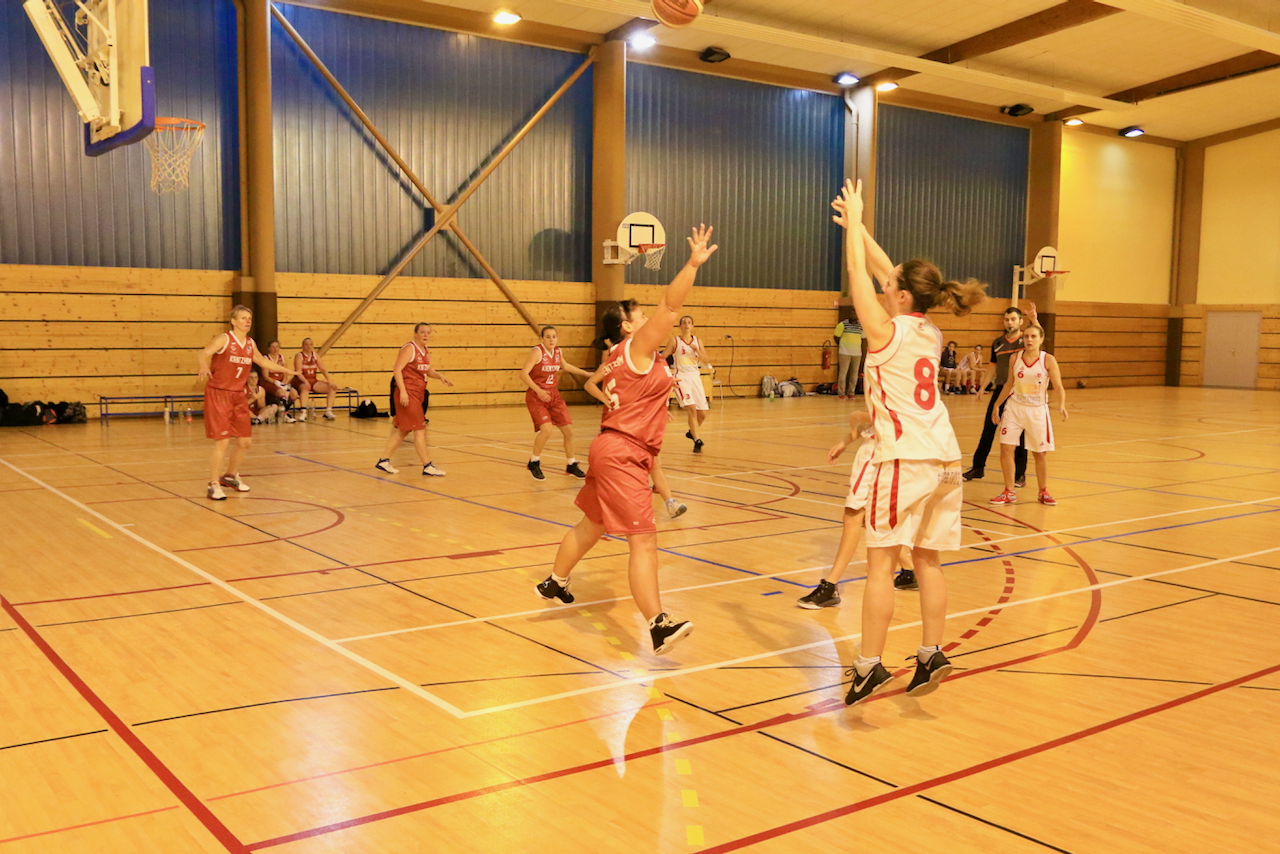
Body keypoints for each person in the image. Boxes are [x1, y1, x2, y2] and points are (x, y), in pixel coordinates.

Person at [831, 179, 986, 706]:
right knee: (928, 559)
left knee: (880, 563)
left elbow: (860, 272)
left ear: (901, 297)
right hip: (946, 458)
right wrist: (858, 225)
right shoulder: (929, 331)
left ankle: (869, 665)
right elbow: (884, 269)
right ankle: (931, 653)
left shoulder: (884, 331)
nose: (884, 286)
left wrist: (855, 228)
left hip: (905, 458)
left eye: (891, 286)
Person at [535, 224, 718, 655]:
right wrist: (693, 264)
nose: (646, 316)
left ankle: (555, 581)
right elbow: (671, 305)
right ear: (627, 325)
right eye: (638, 314)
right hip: (624, 454)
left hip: (610, 446)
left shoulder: (622, 356)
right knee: (643, 539)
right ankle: (658, 625)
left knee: (592, 525)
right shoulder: (636, 347)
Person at [797, 410, 916, 609]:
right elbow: (873, 422)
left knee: (853, 517)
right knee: (869, 518)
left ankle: (830, 586)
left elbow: (888, 416)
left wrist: (860, 415)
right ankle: (909, 571)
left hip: (877, 455)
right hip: (884, 451)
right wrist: (846, 440)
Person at [197, 305, 298, 500]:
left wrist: (287, 371)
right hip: (219, 394)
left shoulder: (250, 343)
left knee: (245, 441)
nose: (247, 321)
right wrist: (203, 364)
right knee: (223, 442)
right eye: (243, 318)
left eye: (249, 318)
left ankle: (230, 476)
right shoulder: (225, 339)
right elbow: (203, 353)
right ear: (233, 321)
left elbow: (263, 362)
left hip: (238, 395)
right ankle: (213, 484)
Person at [989, 324, 1067, 506]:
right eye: (1026, 337)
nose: (1029, 340)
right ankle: (1009, 491)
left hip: (1037, 410)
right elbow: (1009, 383)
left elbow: (1058, 385)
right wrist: (996, 405)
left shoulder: (1048, 360)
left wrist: (1062, 404)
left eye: (1033, 336)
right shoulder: (1015, 358)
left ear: (1041, 339)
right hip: (1014, 408)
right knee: (1006, 448)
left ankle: (1043, 491)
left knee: (1039, 453)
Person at [963, 305, 1037, 484]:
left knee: (1019, 433)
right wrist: (983, 387)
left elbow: (1038, 336)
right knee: (988, 428)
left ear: (1020, 321)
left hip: (1019, 392)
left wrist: (1034, 320)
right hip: (1001, 390)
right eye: (1007, 319)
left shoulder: (1026, 341)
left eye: (1013, 319)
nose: (1010, 322)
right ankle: (978, 467)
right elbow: (992, 368)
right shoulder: (997, 343)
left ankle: (1020, 474)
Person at [375, 323, 453, 476]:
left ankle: (383, 460)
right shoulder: (409, 348)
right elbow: (397, 369)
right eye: (422, 332)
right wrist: (403, 391)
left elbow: (426, 369)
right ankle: (427, 466)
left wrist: (440, 376)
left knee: (403, 431)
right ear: (415, 334)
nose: (426, 335)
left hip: (418, 393)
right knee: (419, 430)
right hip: (408, 393)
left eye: (428, 332)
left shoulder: (425, 350)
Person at [521, 325, 592, 480]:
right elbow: (524, 374)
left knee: (569, 431)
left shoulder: (558, 352)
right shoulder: (537, 352)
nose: (551, 339)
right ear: (541, 338)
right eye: (547, 337)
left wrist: (586, 374)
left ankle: (571, 464)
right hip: (536, 396)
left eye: (554, 336)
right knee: (546, 430)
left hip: (553, 395)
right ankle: (534, 462)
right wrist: (539, 390)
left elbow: (565, 366)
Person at [662, 315, 713, 452]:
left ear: (692, 326)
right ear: (680, 326)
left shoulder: (697, 341)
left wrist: (697, 350)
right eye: (684, 322)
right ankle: (697, 440)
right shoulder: (674, 341)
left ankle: (692, 432)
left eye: (689, 322)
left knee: (703, 413)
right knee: (691, 408)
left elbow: (706, 360)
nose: (686, 324)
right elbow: (663, 357)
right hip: (681, 377)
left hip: (695, 377)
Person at [293, 338, 338, 420]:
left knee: (332, 388)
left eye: (310, 344)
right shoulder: (299, 356)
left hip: (313, 380)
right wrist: (305, 382)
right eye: (306, 344)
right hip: (300, 380)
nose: (309, 346)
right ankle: (303, 412)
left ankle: (328, 411)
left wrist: (329, 381)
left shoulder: (315, 355)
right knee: (305, 388)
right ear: (302, 346)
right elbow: (298, 372)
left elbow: (323, 369)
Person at [260, 340, 300, 422]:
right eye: (273, 347)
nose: (275, 349)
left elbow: (285, 373)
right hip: (270, 382)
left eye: (277, 347)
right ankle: (285, 414)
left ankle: (284, 411)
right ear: (269, 348)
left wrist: (284, 383)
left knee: (294, 393)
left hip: (281, 382)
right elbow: (266, 376)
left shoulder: (282, 358)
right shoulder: (266, 358)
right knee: (282, 393)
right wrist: (275, 382)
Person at [832, 314, 864, 399]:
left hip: (857, 353)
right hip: (844, 353)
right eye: (851, 313)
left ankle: (851, 392)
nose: (853, 315)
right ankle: (841, 393)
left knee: (854, 374)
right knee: (843, 373)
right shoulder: (842, 325)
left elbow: (863, 337)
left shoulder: (861, 326)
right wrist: (843, 346)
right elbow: (836, 337)